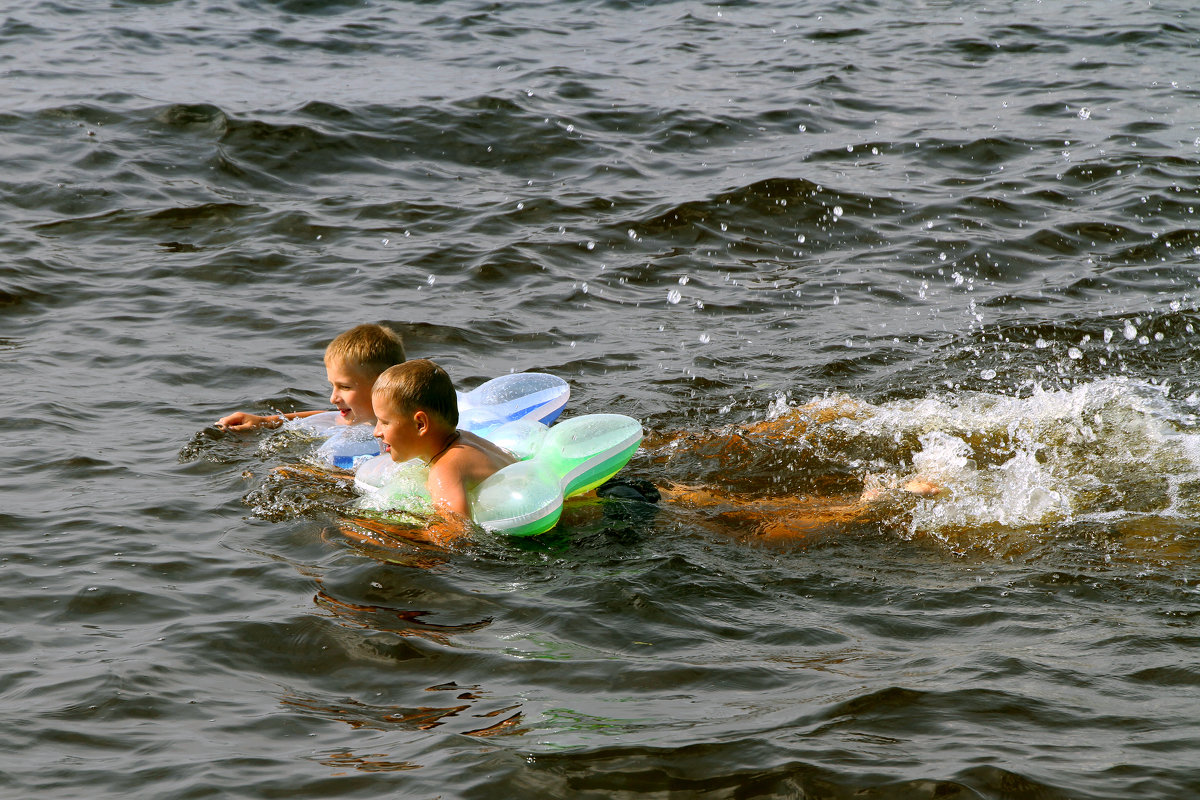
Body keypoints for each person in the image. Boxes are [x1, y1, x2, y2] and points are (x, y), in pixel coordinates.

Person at [370, 359, 516, 543]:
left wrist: (382, 532)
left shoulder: (445, 470)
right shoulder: (465, 439)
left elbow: (455, 533)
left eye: (384, 422)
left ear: (420, 424)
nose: (376, 432)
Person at [216, 323, 405, 431]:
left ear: (383, 385)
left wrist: (309, 476)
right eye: (333, 385)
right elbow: (327, 417)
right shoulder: (351, 418)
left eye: (345, 387)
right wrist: (264, 422)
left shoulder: (396, 435)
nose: (333, 398)